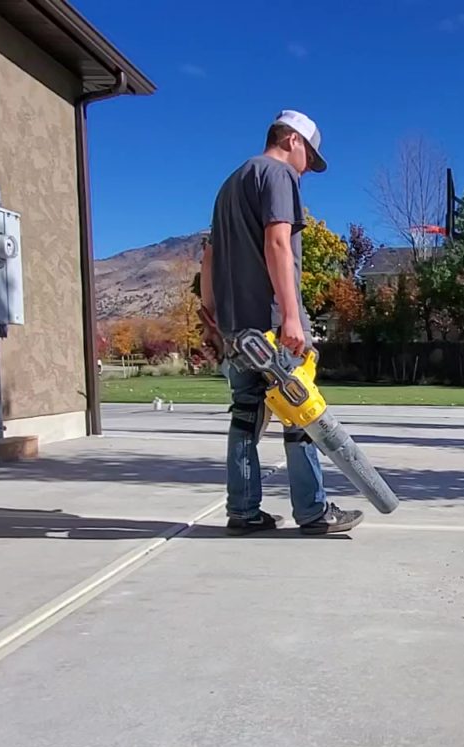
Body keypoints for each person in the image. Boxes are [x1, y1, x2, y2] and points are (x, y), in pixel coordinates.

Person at [199, 110, 363, 536]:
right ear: (293, 140)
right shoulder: (277, 175)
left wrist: (211, 316)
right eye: (310, 155)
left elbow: (209, 256)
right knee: (300, 413)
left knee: (245, 419)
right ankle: (312, 511)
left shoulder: (229, 185)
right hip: (271, 325)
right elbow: (277, 243)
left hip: (237, 330)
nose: (309, 167)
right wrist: (291, 316)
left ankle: (244, 510)